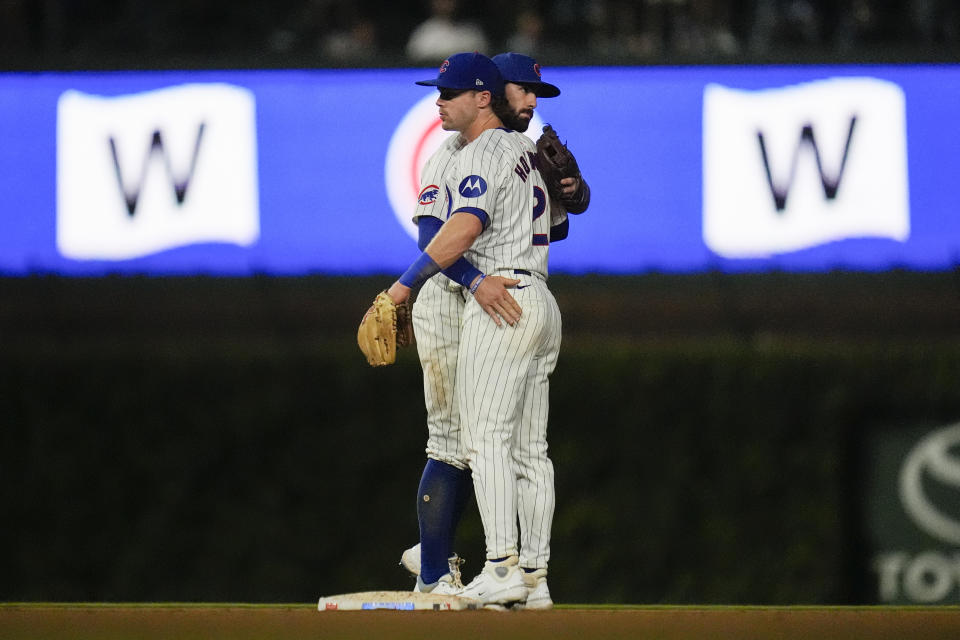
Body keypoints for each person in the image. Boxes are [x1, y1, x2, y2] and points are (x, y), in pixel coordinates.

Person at [386, 51, 588, 608]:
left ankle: (498, 566)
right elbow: (554, 224)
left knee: (481, 441)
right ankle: (534, 577)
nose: (529, 102)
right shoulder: (513, 153)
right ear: (494, 92)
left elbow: (461, 230)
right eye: (522, 90)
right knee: (526, 449)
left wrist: (402, 288)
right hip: (528, 296)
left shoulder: (490, 152)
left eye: (533, 94)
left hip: (498, 297)